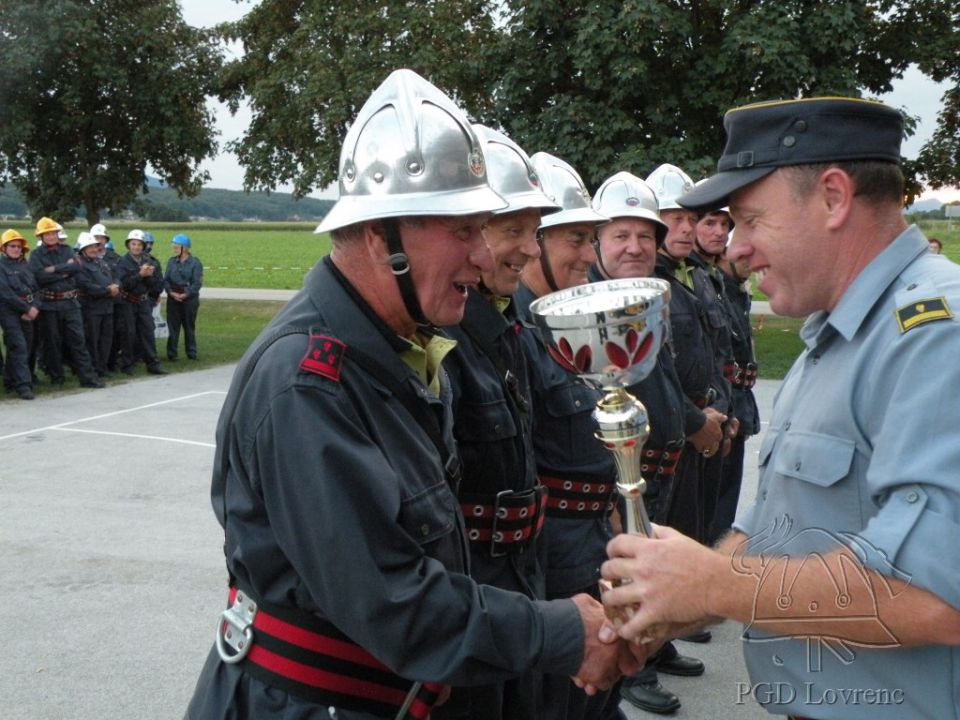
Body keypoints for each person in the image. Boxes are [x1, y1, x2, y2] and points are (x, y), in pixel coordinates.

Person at [184, 69, 637, 720]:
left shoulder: (399, 350)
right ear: (381, 235)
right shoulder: (306, 384)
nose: (483, 257)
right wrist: (564, 632)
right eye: (463, 231)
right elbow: (395, 604)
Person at [601, 96, 960, 720]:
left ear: (832, 197)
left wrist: (713, 584)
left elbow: (937, 594)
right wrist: (680, 590)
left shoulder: (933, 337)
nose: (735, 248)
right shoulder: (840, 336)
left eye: (750, 220)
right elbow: (783, 533)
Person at [505, 150, 616, 720]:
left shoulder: (569, 320)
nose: (588, 256)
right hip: (554, 549)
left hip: (595, 532)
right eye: (576, 239)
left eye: (591, 239)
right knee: (560, 700)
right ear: (538, 243)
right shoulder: (513, 333)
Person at [589, 171, 702, 715]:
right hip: (614, 482)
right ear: (597, 241)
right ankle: (632, 673)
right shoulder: (583, 307)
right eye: (620, 235)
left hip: (657, 467)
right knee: (625, 577)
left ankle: (651, 652)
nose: (635, 247)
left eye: (645, 236)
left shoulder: (653, 295)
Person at [646, 164, 728, 546]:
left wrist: (724, 410)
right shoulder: (647, 283)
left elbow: (717, 349)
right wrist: (695, 423)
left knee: (701, 535)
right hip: (672, 435)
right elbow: (651, 374)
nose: (685, 227)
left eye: (690, 218)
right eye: (674, 218)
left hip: (705, 426)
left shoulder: (695, 275)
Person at [710, 236, 760, 543]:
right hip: (724, 407)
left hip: (739, 406)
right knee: (714, 513)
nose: (749, 261)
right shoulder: (714, 291)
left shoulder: (735, 293)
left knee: (724, 508)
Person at [27, 217, 104, 389]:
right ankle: (57, 377)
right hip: (49, 303)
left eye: (53, 233)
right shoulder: (36, 255)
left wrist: (53, 270)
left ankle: (88, 377)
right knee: (52, 342)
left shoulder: (67, 249)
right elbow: (38, 277)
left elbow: (76, 267)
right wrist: (64, 270)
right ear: (41, 236)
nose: (51, 236)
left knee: (78, 340)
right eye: (47, 234)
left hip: (70, 303)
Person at [116, 229, 167, 375]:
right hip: (128, 301)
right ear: (128, 245)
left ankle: (153, 363)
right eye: (133, 244)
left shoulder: (150, 261)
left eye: (139, 244)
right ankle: (127, 364)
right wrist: (140, 275)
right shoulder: (122, 262)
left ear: (143, 246)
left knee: (148, 332)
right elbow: (123, 284)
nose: (136, 247)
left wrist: (149, 276)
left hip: (144, 301)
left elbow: (158, 285)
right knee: (128, 333)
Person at [0, 229, 41, 399]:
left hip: (29, 310)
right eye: (12, 246)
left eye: (18, 246)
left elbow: (37, 289)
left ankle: (10, 379)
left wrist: (35, 307)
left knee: (24, 347)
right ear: (4, 248)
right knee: (19, 346)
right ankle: (23, 385)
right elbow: (5, 293)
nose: (16, 249)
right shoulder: (1, 267)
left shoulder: (26, 266)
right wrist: (26, 309)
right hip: (9, 312)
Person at [75, 231, 119, 378]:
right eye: (90, 247)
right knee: (92, 340)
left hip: (107, 308)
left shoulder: (101, 262)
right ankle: (92, 369)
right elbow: (86, 286)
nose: (94, 249)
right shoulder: (79, 265)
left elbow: (114, 277)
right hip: (91, 308)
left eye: (95, 246)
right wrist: (108, 290)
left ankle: (102, 368)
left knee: (106, 340)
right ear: (83, 250)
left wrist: (116, 286)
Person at [164, 233, 203, 360]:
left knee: (189, 326)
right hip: (173, 298)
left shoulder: (195, 263)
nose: (174, 247)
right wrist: (171, 292)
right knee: (173, 327)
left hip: (189, 300)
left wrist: (186, 294)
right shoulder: (171, 262)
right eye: (173, 245)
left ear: (185, 248)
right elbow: (166, 280)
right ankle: (172, 353)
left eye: (177, 245)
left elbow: (197, 282)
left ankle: (191, 352)